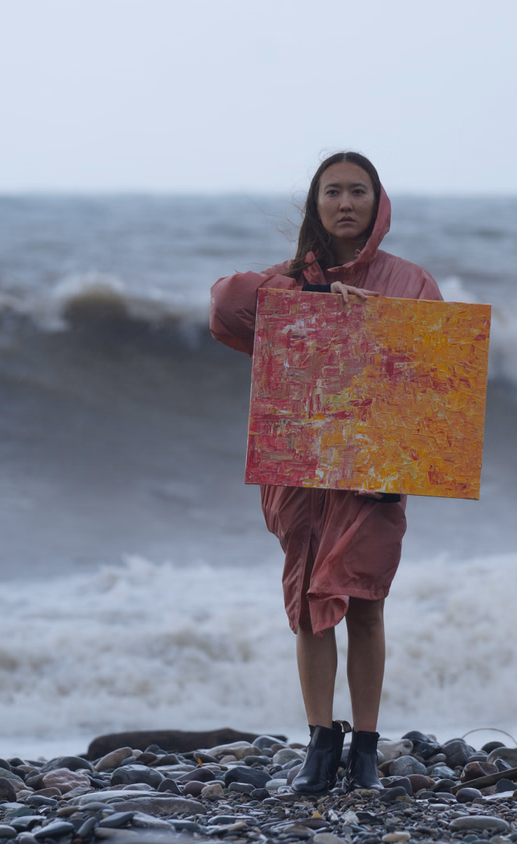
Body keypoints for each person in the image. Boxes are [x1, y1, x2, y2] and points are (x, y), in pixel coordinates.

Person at [209, 151, 442, 793]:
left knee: (365, 602)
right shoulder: (289, 280)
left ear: (379, 203)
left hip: (373, 467)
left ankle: (364, 747)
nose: (346, 203)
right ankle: (319, 742)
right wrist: (306, 296)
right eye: (333, 192)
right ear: (315, 204)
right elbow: (225, 307)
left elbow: (436, 377)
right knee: (308, 607)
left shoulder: (411, 281)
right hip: (302, 468)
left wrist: (376, 323)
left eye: (358, 192)